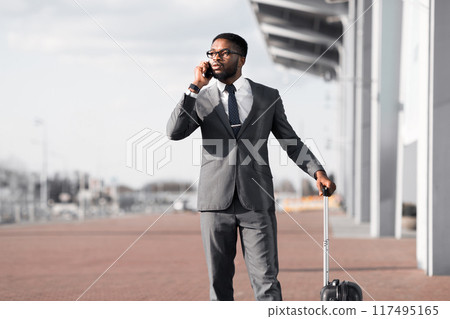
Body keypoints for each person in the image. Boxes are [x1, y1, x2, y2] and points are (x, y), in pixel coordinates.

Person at [167, 33, 336, 301]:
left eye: (223, 53)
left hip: (256, 201)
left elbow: (290, 141)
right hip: (214, 203)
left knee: (266, 281)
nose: (216, 58)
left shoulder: (267, 96)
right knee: (219, 285)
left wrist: (317, 171)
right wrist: (194, 87)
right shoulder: (201, 98)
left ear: (241, 59)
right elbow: (175, 132)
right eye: (212, 54)